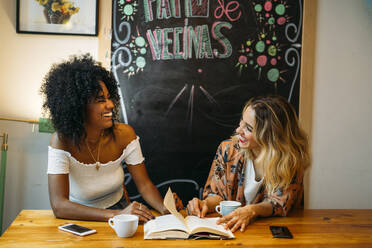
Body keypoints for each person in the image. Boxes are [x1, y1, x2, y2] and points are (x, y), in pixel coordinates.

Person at [40, 54, 172, 222]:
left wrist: (164, 208)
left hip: (120, 210)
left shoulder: (125, 135)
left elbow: (144, 185)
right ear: (78, 106)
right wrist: (117, 216)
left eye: (109, 97)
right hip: (78, 217)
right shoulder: (61, 141)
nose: (110, 104)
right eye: (101, 100)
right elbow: (59, 206)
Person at [186, 95, 310, 232]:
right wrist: (204, 203)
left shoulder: (289, 160)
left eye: (249, 128)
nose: (239, 131)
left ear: (271, 135)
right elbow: (218, 195)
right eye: (241, 122)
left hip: (270, 234)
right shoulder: (227, 149)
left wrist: (252, 210)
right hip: (232, 232)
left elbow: (280, 203)